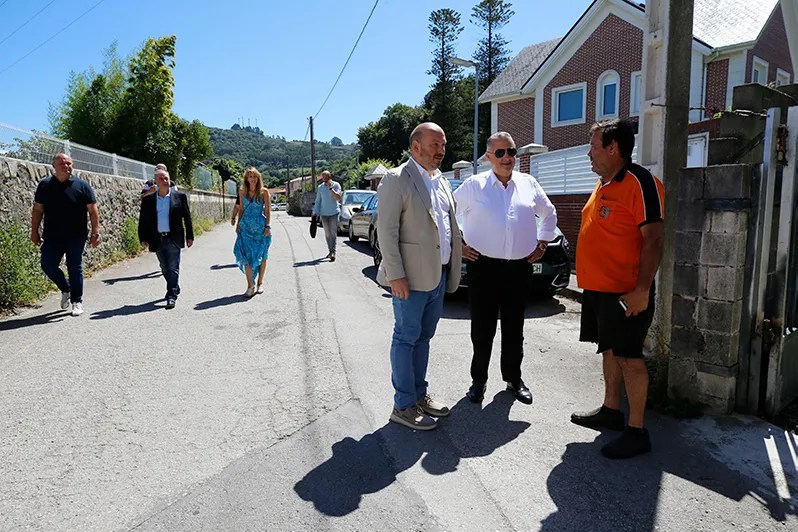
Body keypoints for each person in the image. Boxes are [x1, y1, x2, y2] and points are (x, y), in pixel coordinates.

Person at [570, 119, 664, 459]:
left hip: (627, 294)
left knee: (629, 357)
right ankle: (611, 409)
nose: (588, 154)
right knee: (609, 349)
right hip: (600, 291)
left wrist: (642, 289)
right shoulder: (603, 184)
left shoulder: (640, 182)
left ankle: (637, 431)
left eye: (593, 147)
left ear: (613, 148)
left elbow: (653, 238)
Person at [453, 131, 558, 405]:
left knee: (515, 329)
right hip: (483, 268)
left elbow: (549, 213)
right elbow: (446, 214)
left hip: (519, 269)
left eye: (511, 151)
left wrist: (542, 244)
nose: (507, 158)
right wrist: (458, 246)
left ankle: (513, 379)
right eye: (500, 153)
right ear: (488, 157)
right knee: (482, 329)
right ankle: (478, 381)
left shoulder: (528, 183)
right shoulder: (474, 185)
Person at [377, 122, 462, 431]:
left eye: (443, 145)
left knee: (423, 339)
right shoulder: (396, 179)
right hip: (409, 280)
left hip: (437, 276)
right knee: (405, 338)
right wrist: (395, 275)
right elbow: (386, 232)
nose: (441, 151)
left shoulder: (441, 182)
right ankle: (402, 405)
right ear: (415, 147)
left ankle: (418, 396)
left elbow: (446, 227)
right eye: (435, 146)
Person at [31, 153, 101, 317]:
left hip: (76, 236)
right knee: (47, 265)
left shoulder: (82, 186)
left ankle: (77, 301)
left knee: (74, 267)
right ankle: (66, 288)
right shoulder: (45, 186)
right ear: (53, 166)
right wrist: (34, 231)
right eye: (62, 163)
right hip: (52, 236)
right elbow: (38, 210)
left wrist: (95, 232)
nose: (66, 166)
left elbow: (93, 210)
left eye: (69, 163)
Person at [138, 169, 194, 309]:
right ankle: (174, 286)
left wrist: (190, 236)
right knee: (164, 267)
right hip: (157, 237)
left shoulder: (179, 197)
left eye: (166, 178)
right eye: (161, 178)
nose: (165, 181)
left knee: (173, 267)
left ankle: (171, 295)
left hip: (173, 237)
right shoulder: (149, 200)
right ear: (155, 181)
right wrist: (143, 237)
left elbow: (187, 218)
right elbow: (143, 220)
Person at [234, 167, 272, 296]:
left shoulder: (264, 192)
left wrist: (268, 226)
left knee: (262, 255)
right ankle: (250, 285)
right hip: (246, 228)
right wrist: (238, 223)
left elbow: (267, 210)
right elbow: (242, 209)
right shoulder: (242, 192)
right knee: (246, 256)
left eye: (255, 176)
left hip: (261, 228)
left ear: (258, 178)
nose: (252, 179)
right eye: (250, 176)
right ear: (246, 178)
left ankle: (260, 282)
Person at [312, 170, 342, 261]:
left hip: (334, 212)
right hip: (324, 214)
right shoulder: (320, 187)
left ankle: (333, 251)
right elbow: (318, 201)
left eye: (326, 178)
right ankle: (330, 250)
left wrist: (330, 189)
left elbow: (338, 197)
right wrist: (315, 212)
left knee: (333, 232)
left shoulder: (336, 185)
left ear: (330, 177)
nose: (324, 180)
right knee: (327, 234)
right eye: (323, 178)